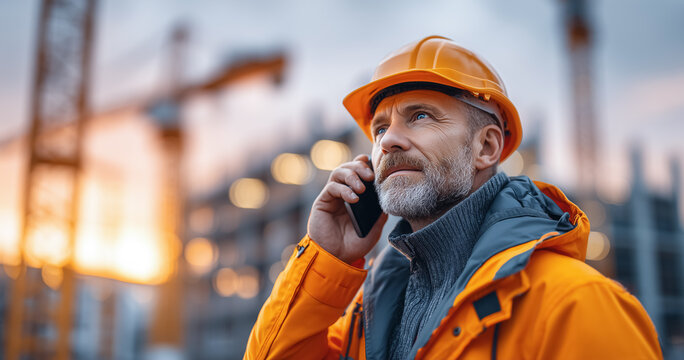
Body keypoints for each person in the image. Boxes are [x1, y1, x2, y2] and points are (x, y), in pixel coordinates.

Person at [244, 36, 661, 359]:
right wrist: (324, 257)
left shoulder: (576, 305)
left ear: (487, 148)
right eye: (380, 128)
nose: (388, 141)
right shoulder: (366, 314)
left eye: (420, 115)